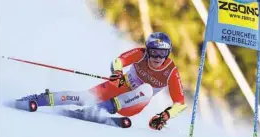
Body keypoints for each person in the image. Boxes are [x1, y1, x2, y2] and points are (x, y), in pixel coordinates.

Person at [15, 32, 187, 130]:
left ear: (168, 53)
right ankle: (39, 99)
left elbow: (180, 103)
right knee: (84, 96)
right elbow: (118, 61)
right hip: (120, 86)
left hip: (131, 104)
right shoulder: (140, 53)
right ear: (148, 50)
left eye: (163, 53)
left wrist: (164, 116)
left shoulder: (170, 71)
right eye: (154, 52)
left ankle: (101, 109)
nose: (158, 57)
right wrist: (117, 72)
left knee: (147, 89)